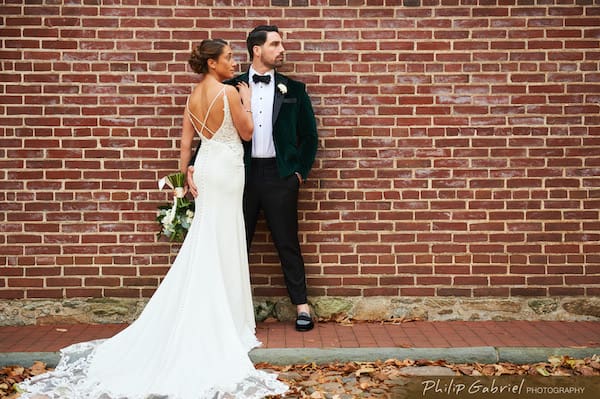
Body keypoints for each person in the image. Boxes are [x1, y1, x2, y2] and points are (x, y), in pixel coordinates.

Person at [18, 39, 288, 399]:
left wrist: (184, 179)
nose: (232, 62)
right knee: (225, 236)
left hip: (206, 169)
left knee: (209, 236)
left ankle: (217, 311)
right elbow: (248, 133)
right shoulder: (228, 93)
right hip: (226, 168)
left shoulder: (192, 97)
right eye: (227, 58)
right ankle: (228, 320)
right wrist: (244, 100)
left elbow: (184, 143)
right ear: (212, 64)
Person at [187, 25, 319, 332]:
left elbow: (309, 137)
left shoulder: (294, 90)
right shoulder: (230, 87)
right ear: (256, 50)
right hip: (239, 176)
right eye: (275, 44)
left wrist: (298, 173)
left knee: (288, 242)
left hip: (280, 176)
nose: (281, 49)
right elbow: (211, 132)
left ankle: (302, 306)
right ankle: (228, 313)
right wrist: (194, 165)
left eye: (280, 44)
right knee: (235, 242)